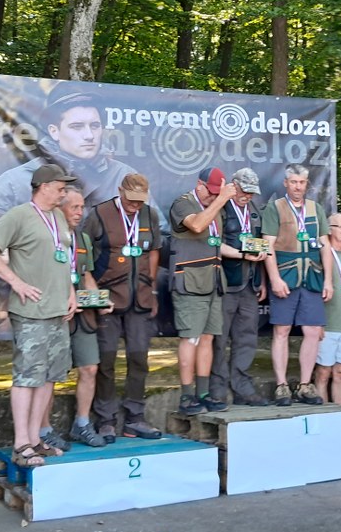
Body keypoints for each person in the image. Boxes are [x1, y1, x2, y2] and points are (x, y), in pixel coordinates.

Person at [0, 164, 78, 468]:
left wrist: (71, 292)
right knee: (27, 376)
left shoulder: (59, 217)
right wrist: (15, 281)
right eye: (60, 188)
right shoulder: (19, 215)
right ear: (43, 187)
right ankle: (21, 443)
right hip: (31, 312)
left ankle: (35, 438)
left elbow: (63, 258)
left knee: (49, 377)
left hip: (58, 311)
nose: (64, 193)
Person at [0, 89, 137, 266]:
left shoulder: (125, 179)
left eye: (94, 126)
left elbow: (152, 237)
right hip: (37, 282)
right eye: (77, 126)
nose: (89, 136)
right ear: (54, 131)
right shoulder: (14, 183)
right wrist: (12, 263)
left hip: (102, 281)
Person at [84, 173, 164, 440]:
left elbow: (154, 251)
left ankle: (135, 418)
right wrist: (93, 294)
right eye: (131, 200)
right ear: (120, 191)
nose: (135, 205)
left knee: (139, 359)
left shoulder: (149, 215)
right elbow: (83, 254)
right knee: (105, 360)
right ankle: (105, 419)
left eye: (140, 201)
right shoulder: (99, 214)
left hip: (140, 298)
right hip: (108, 300)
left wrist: (152, 289)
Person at [36, 185, 107, 450]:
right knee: (51, 374)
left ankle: (82, 424)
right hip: (55, 315)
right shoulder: (46, 235)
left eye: (82, 207)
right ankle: (44, 429)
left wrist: (100, 300)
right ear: (59, 208)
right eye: (74, 207)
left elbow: (86, 275)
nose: (80, 212)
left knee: (90, 367)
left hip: (82, 315)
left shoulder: (82, 238)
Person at [261, 163, 333, 406]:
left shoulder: (316, 208)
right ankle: (281, 385)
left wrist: (328, 280)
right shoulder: (275, 208)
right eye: (293, 182)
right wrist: (274, 279)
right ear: (286, 183)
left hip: (312, 276)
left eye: (302, 182)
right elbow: (267, 246)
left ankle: (304, 385)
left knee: (312, 332)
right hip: (286, 275)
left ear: (307, 184)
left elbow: (325, 246)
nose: (298, 187)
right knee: (281, 331)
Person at [169, 166, 237, 416]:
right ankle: (187, 396)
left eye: (218, 193)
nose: (214, 196)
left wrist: (243, 254)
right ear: (199, 185)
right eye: (211, 191)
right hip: (189, 282)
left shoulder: (215, 208)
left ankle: (204, 393)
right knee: (191, 338)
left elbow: (215, 243)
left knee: (208, 338)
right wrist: (221, 200)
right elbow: (197, 225)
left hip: (213, 281)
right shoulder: (183, 203)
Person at [210, 168, 269, 406]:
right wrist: (242, 254)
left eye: (252, 192)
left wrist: (262, 279)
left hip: (250, 283)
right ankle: (217, 388)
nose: (248, 196)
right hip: (226, 282)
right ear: (233, 186)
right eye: (244, 191)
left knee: (247, 337)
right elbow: (213, 243)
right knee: (219, 338)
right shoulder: (220, 208)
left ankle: (242, 387)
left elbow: (261, 244)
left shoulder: (254, 210)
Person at [313, 213, 341, 405]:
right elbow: (313, 290)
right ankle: (322, 415)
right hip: (326, 324)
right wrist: (317, 322)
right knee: (323, 372)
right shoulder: (320, 254)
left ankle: (339, 414)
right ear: (329, 230)